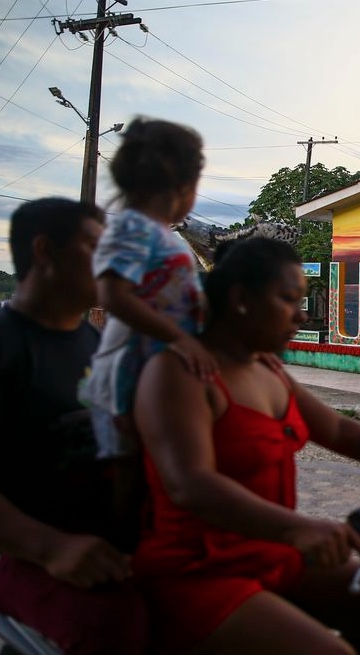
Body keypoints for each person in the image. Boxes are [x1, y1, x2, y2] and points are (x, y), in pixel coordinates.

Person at [132, 237, 360, 655]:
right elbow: (189, 483)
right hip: (198, 570)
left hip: (270, 552)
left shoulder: (266, 367)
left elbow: (339, 431)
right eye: (289, 299)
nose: (301, 315)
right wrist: (298, 527)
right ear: (240, 299)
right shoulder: (178, 373)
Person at [0, 197, 148, 654]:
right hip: (27, 552)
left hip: (109, 549)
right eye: (95, 246)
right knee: (111, 629)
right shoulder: (8, 346)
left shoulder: (99, 345)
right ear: (45, 252)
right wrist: (49, 549)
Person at [81, 116, 216, 460]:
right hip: (128, 368)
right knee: (127, 467)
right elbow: (113, 294)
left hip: (155, 366)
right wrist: (179, 337)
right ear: (182, 183)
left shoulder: (159, 233)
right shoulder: (134, 228)